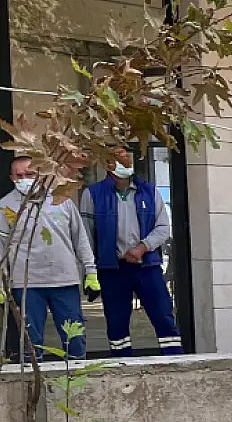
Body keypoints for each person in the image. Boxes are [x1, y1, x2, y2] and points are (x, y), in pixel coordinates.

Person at [80, 149, 182, 355]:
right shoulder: (92, 194)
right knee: (117, 324)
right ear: (109, 165)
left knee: (163, 317)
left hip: (147, 266)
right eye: (121, 161)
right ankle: (122, 365)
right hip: (112, 269)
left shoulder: (149, 191)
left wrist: (142, 247)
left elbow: (163, 228)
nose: (127, 164)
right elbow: (86, 236)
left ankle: (174, 361)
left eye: (129, 159)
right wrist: (89, 270)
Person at [0, 156, 98, 360]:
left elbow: (80, 239)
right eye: (19, 176)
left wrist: (91, 271)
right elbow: (1, 247)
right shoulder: (5, 206)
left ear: (40, 174)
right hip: (26, 285)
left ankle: (77, 384)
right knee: (30, 345)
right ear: (11, 177)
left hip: (64, 280)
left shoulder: (62, 201)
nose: (24, 179)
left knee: (75, 340)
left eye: (29, 174)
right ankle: (34, 389)